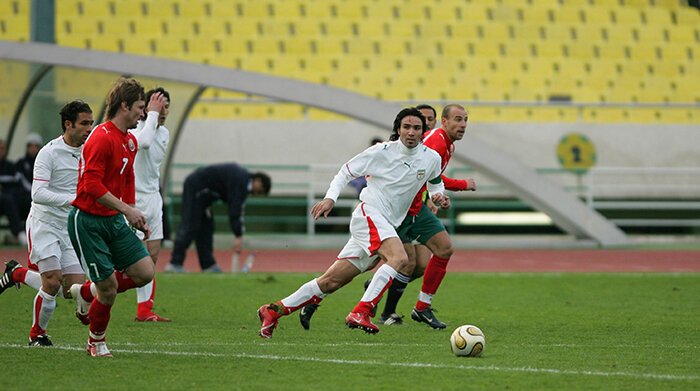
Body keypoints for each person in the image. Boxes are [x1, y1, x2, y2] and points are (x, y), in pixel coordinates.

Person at [257, 107, 449, 338]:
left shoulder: (431, 158)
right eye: (406, 127)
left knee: (330, 282)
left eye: (416, 128)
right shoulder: (381, 152)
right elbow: (345, 172)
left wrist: (439, 195)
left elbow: (436, 184)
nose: (411, 132)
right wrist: (330, 198)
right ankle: (362, 311)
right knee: (399, 258)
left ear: (423, 131)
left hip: (386, 224)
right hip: (369, 214)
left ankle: (273, 310)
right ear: (398, 129)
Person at [299, 104, 476, 330]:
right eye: (457, 119)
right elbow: (421, 176)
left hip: (416, 211)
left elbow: (433, 179)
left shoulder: (441, 145)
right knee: (393, 262)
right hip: (397, 212)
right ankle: (329, 300)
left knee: (428, 258)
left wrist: (437, 196)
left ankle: (418, 306)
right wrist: (461, 185)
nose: (427, 125)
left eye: (427, 121)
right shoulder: (434, 142)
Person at [67, 77, 154, 357]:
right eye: (140, 107)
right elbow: (90, 187)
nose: (143, 113)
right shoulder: (101, 138)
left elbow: (127, 179)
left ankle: (86, 293)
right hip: (88, 221)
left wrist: (132, 213)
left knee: (145, 272)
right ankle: (96, 341)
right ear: (124, 105)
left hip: (114, 220)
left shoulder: (129, 141)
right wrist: (126, 209)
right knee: (109, 289)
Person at [0, 101, 94, 346]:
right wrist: (74, 201)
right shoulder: (49, 152)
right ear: (68, 124)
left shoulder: (89, 151)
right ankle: (36, 335)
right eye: (84, 123)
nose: (89, 128)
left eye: (91, 123)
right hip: (44, 223)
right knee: (51, 281)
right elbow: (38, 194)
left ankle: (16, 273)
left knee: (70, 289)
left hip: (70, 227)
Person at [165, 163, 271, 273]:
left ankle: (208, 265)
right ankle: (174, 263)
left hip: (205, 197)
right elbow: (235, 209)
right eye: (260, 191)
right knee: (190, 225)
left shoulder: (242, 180)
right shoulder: (241, 181)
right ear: (258, 181)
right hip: (196, 188)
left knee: (206, 228)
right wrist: (238, 235)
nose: (257, 194)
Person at [129, 87, 171, 322]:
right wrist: (151, 116)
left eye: (166, 106)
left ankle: (144, 309)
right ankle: (93, 291)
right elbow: (144, 144)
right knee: (132, 259)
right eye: (158, 104)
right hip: (134, 200)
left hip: (154, 198)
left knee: (152, 255)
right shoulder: (136, 131)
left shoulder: (164, 133)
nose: (163, 110)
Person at [0, 139, 26, 245]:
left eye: (2, 149)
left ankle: (24, 235)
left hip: (9, 202)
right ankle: (19, 234)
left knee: (24, 201)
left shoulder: (11, 166)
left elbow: (17, 185)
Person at [16, 133, 43, 223]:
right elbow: (20, 180)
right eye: (31, 146)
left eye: (36, 146)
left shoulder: (43, 163)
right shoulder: (21, 163)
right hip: (26, 197)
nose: (33, 149)